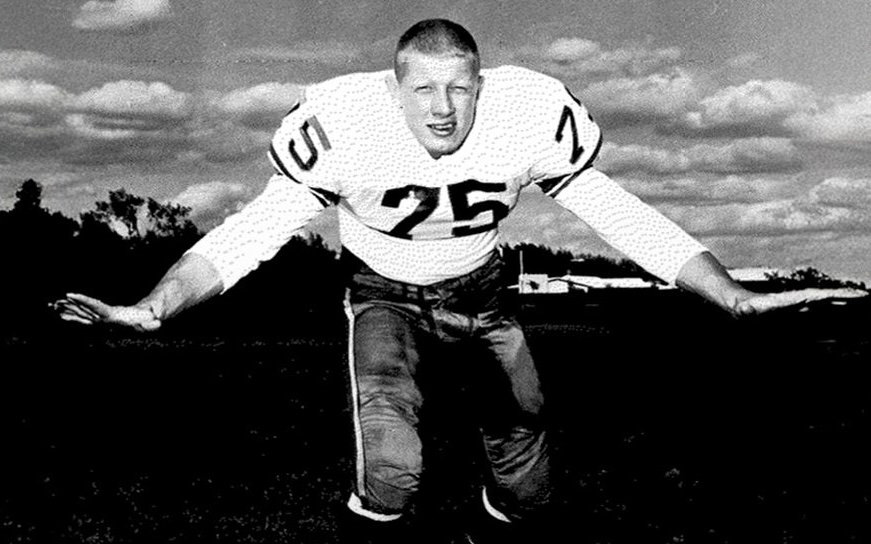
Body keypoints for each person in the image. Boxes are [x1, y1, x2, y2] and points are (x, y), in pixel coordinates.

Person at [53, 18, 866, 544]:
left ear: (483, 85)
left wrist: (726, 292)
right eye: (424, 89)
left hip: (481, 293)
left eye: (459, 88)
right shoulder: (344, 126)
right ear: (393, 88)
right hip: (382, 293)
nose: (443, 109)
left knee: (527, 477)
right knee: (393, 466)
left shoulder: (526, 114)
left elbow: (614, 210)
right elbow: (252, 230)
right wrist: (155, 306)